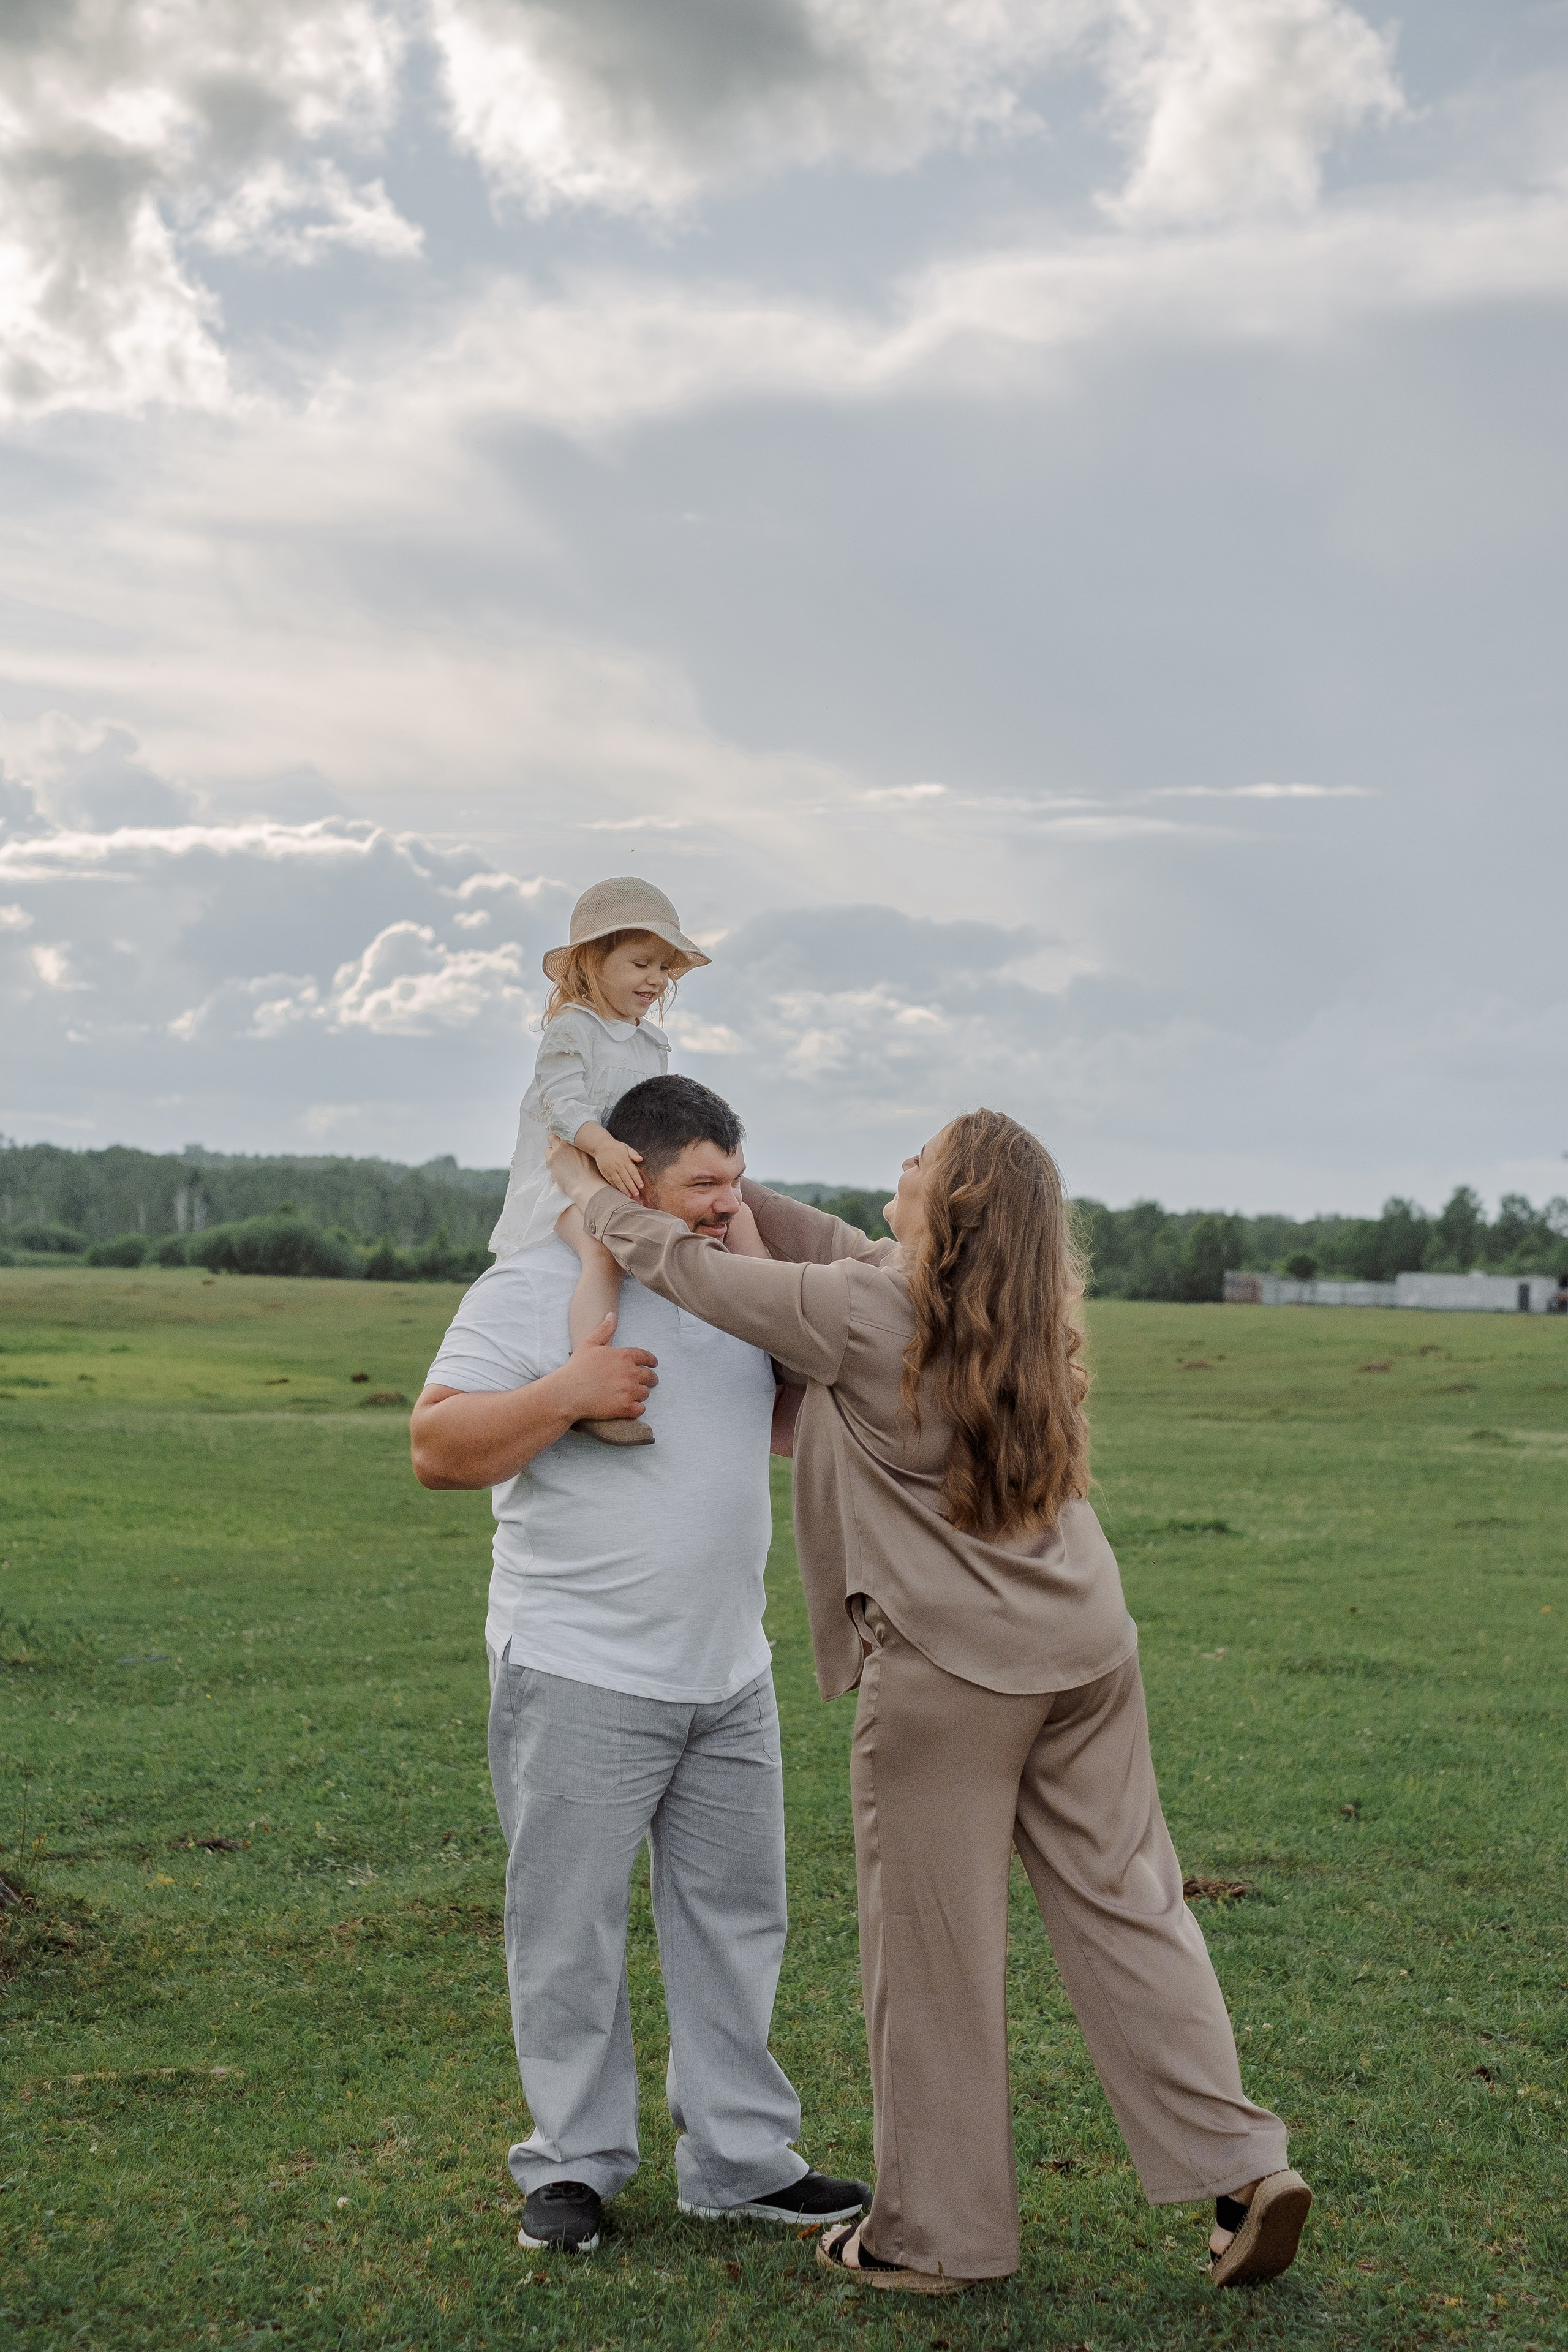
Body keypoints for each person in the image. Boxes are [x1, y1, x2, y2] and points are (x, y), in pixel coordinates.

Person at [548, 1109, 1313, 2297]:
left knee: (933, 1952)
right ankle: (1241, 2164)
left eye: (922, 1159)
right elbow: (806, 1238)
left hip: (953, 1678)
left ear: (949, 1206)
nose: (898, 1167)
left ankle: (930, 2236)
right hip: (1086, 1648)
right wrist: (710, 1189)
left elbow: (688, 1268)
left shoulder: (868, 1311)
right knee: (1133, 1911)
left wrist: (586, 1194)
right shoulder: (1008, 1309)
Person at [411, 1074, 868, 2260]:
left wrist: (775, 1285)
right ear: (633, 1180)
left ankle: (741, 2162)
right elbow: (435, 1444)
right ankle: (571, 2167)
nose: (729, 1204)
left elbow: (790, 1425)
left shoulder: (725, 1288)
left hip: (729, 1673)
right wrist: (567, 1392)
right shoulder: (535, 1288)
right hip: (580, 1670)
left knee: (737, 1920)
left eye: (736, 1178)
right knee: (567, 1931)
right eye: (705, 1185)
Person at [488, 876, 712, 1445]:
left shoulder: (649, 1043)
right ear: (594, 961)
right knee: (603, 1252)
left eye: (663, 968)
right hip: (569, 1178)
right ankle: (586, 1386)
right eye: (642, 963)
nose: (656, 980)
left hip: (627, 1175)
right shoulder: (574, 1029)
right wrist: (603, 1146)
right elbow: (561, 1103)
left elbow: (661, 1113)